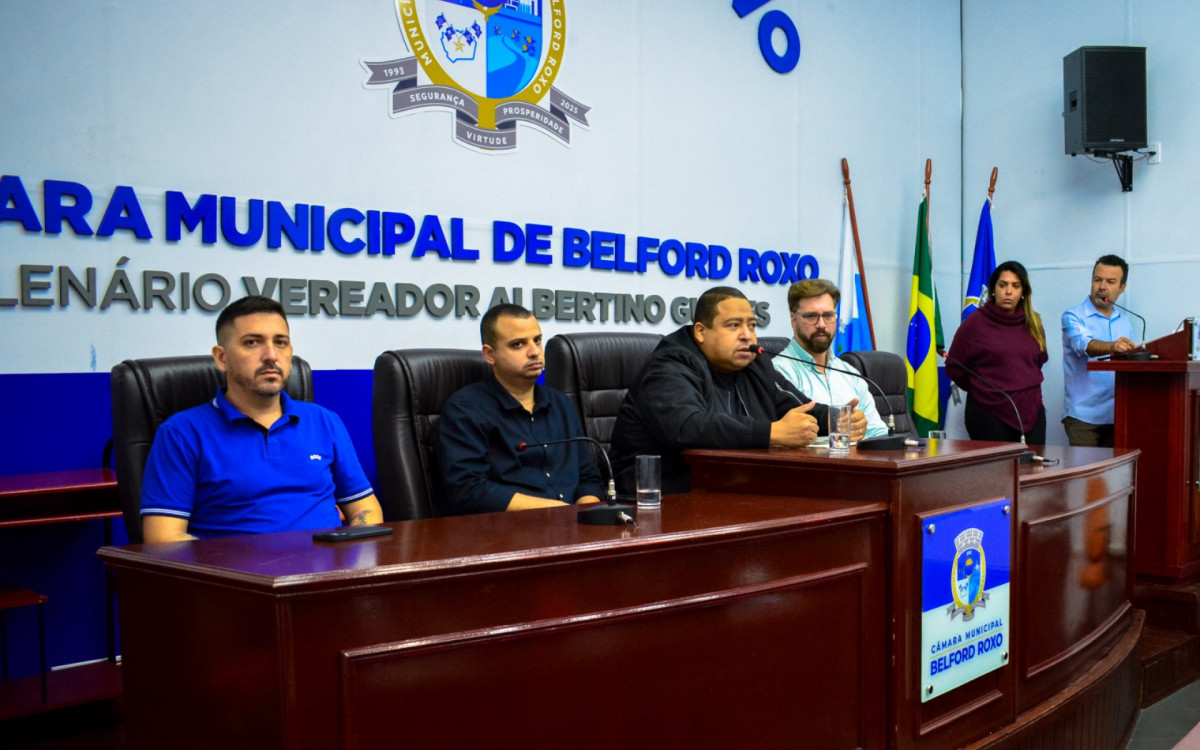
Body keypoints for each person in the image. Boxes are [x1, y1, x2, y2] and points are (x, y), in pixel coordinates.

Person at [140, 296, 382, 542]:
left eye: (281, 342)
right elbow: (163, 538)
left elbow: (366, 508)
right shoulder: (182, 433)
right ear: (221, 358)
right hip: (236, 577)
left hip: (326, 574)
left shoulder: (324, 421)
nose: (271, 355)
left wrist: (350, 557)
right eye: (252, 342)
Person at [609, 286, 867, 495]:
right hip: (661, 497)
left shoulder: (754, 364)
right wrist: (771, 432)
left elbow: (795, 405)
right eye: (734, 326)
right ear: (701, 331)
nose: (747, 336)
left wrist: (836, 420)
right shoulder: (670, 364)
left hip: (733, 489)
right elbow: (688, 426)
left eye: (752, 326)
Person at [434, 304, 604, 515]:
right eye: (518, 345)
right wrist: (561, 513)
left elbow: (588, 476)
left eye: (537, 340)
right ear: (489, 354)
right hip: (507, 532)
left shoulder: (561, 404)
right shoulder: (465, 410)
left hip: (572, 527)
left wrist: (587, 516)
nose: (534, 352)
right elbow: (469, 490)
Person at [945, 260, 1048, 444]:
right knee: (998, 472)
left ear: (1023, 291)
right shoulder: (975, 323)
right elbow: (955, 367)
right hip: (988, 412)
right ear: (993, 289)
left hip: (1031, 411)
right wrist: (982, 387)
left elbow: (1036, 362)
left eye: (1015, 286)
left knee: (1033, 469)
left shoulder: (1034, 323)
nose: (1009, 291)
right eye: (1003, 285)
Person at [773, 279, 889, 439]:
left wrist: (861, 430)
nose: (821, 324)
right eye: (811, 316)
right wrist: (838, 426)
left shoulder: (850, 373)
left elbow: (878, 433)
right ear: (794, 320)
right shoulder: (779, 372)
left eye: (828, 315)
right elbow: (793, 440)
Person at [1061, 254, 1137, 447]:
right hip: (1083, 418)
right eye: (1097, 280)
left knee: (1116, 476)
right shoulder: (1073, 316)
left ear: (1122, 288)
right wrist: (1112, 346)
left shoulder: (1124, 321)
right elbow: (1084, 345)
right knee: (1087, 476)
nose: (1102, 287)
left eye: (1110, 282)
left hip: (1117, 415)